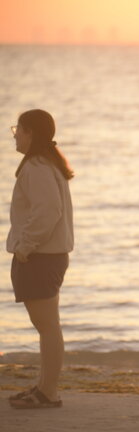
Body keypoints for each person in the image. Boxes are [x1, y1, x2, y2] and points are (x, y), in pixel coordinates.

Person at [7, 109, 74, 409]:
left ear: (30, 132)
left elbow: (48, 211)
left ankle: (48, 392)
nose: (15, 136)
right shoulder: (46, 163)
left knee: (47, 327)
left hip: (40, 257)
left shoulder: (37, 166)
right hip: (47, 256)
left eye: (18, 130)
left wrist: (25, 246)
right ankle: (46, 388)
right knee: (48, 326)